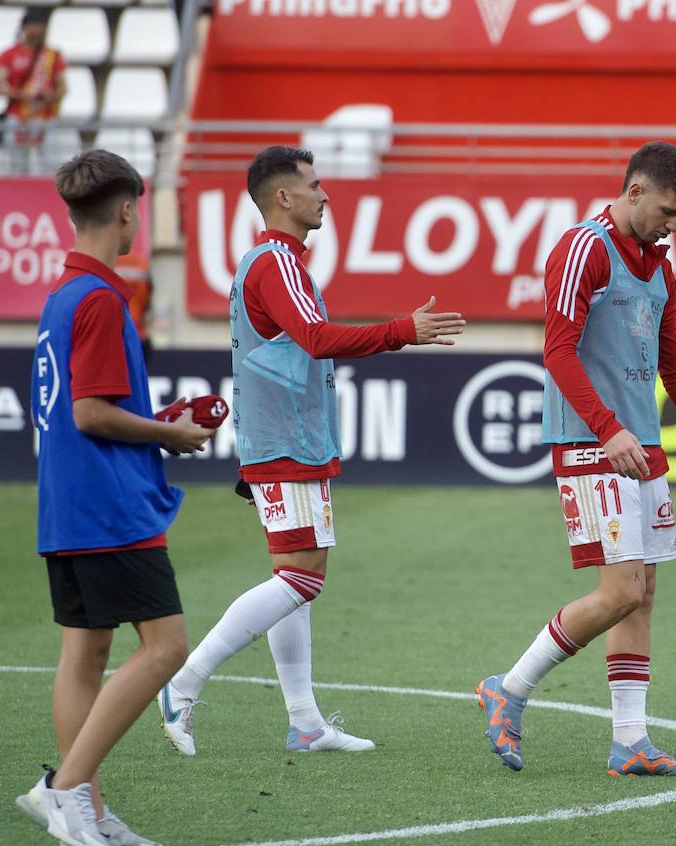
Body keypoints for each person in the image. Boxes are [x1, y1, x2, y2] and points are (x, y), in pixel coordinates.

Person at [157, 146, 464, 757]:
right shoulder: (275, 262)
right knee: (302, 575)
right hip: (283, 440)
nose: (327, 195)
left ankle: (304, 723)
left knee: (293, 575)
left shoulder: (285, 262)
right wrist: (402, 330)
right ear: (284, 198)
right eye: (316, 186)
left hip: (291, 437)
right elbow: (317, 339)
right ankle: (184, 682)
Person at [476, 141, 676, 777]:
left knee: (643, 596)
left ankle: (630, 742)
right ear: (634, 191)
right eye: (667, 210)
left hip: (641, 448)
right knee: (619, 592)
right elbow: (558, 351)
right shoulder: (582, 247)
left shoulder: (659, 266)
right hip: (592, 443)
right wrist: (607, 428)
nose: (673, 225)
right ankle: (510, 688)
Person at [18, 149, 215, 846]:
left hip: (66, 504)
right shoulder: (101, 297)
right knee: (166, 647)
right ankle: (66, 790)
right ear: (128, 208)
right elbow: (92, 413)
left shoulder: (65, 293)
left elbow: (90, 406)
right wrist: (170, 433)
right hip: (110, 503)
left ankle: (87, 815)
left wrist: (156, 417)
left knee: (86, 651)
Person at [0, 7, 66, 176]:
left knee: (51, 167)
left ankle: (50, 199)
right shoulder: (9, 55)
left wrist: (50, 95)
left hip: (45, 116)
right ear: (23, 28)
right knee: (17, 168)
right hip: (18, 116)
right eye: (33, 25)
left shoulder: (52, 55)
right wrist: (23, 95)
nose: (36, 30)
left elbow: (63, 87)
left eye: (40, 26)